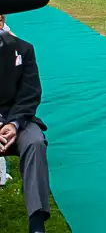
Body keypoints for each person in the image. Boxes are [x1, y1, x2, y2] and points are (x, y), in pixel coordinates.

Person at [0, 30, 51, 233]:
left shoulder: (24, 48)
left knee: (35, 142)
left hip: (18, 120)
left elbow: (31, 93)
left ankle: (36, 223)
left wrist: (13, 124)